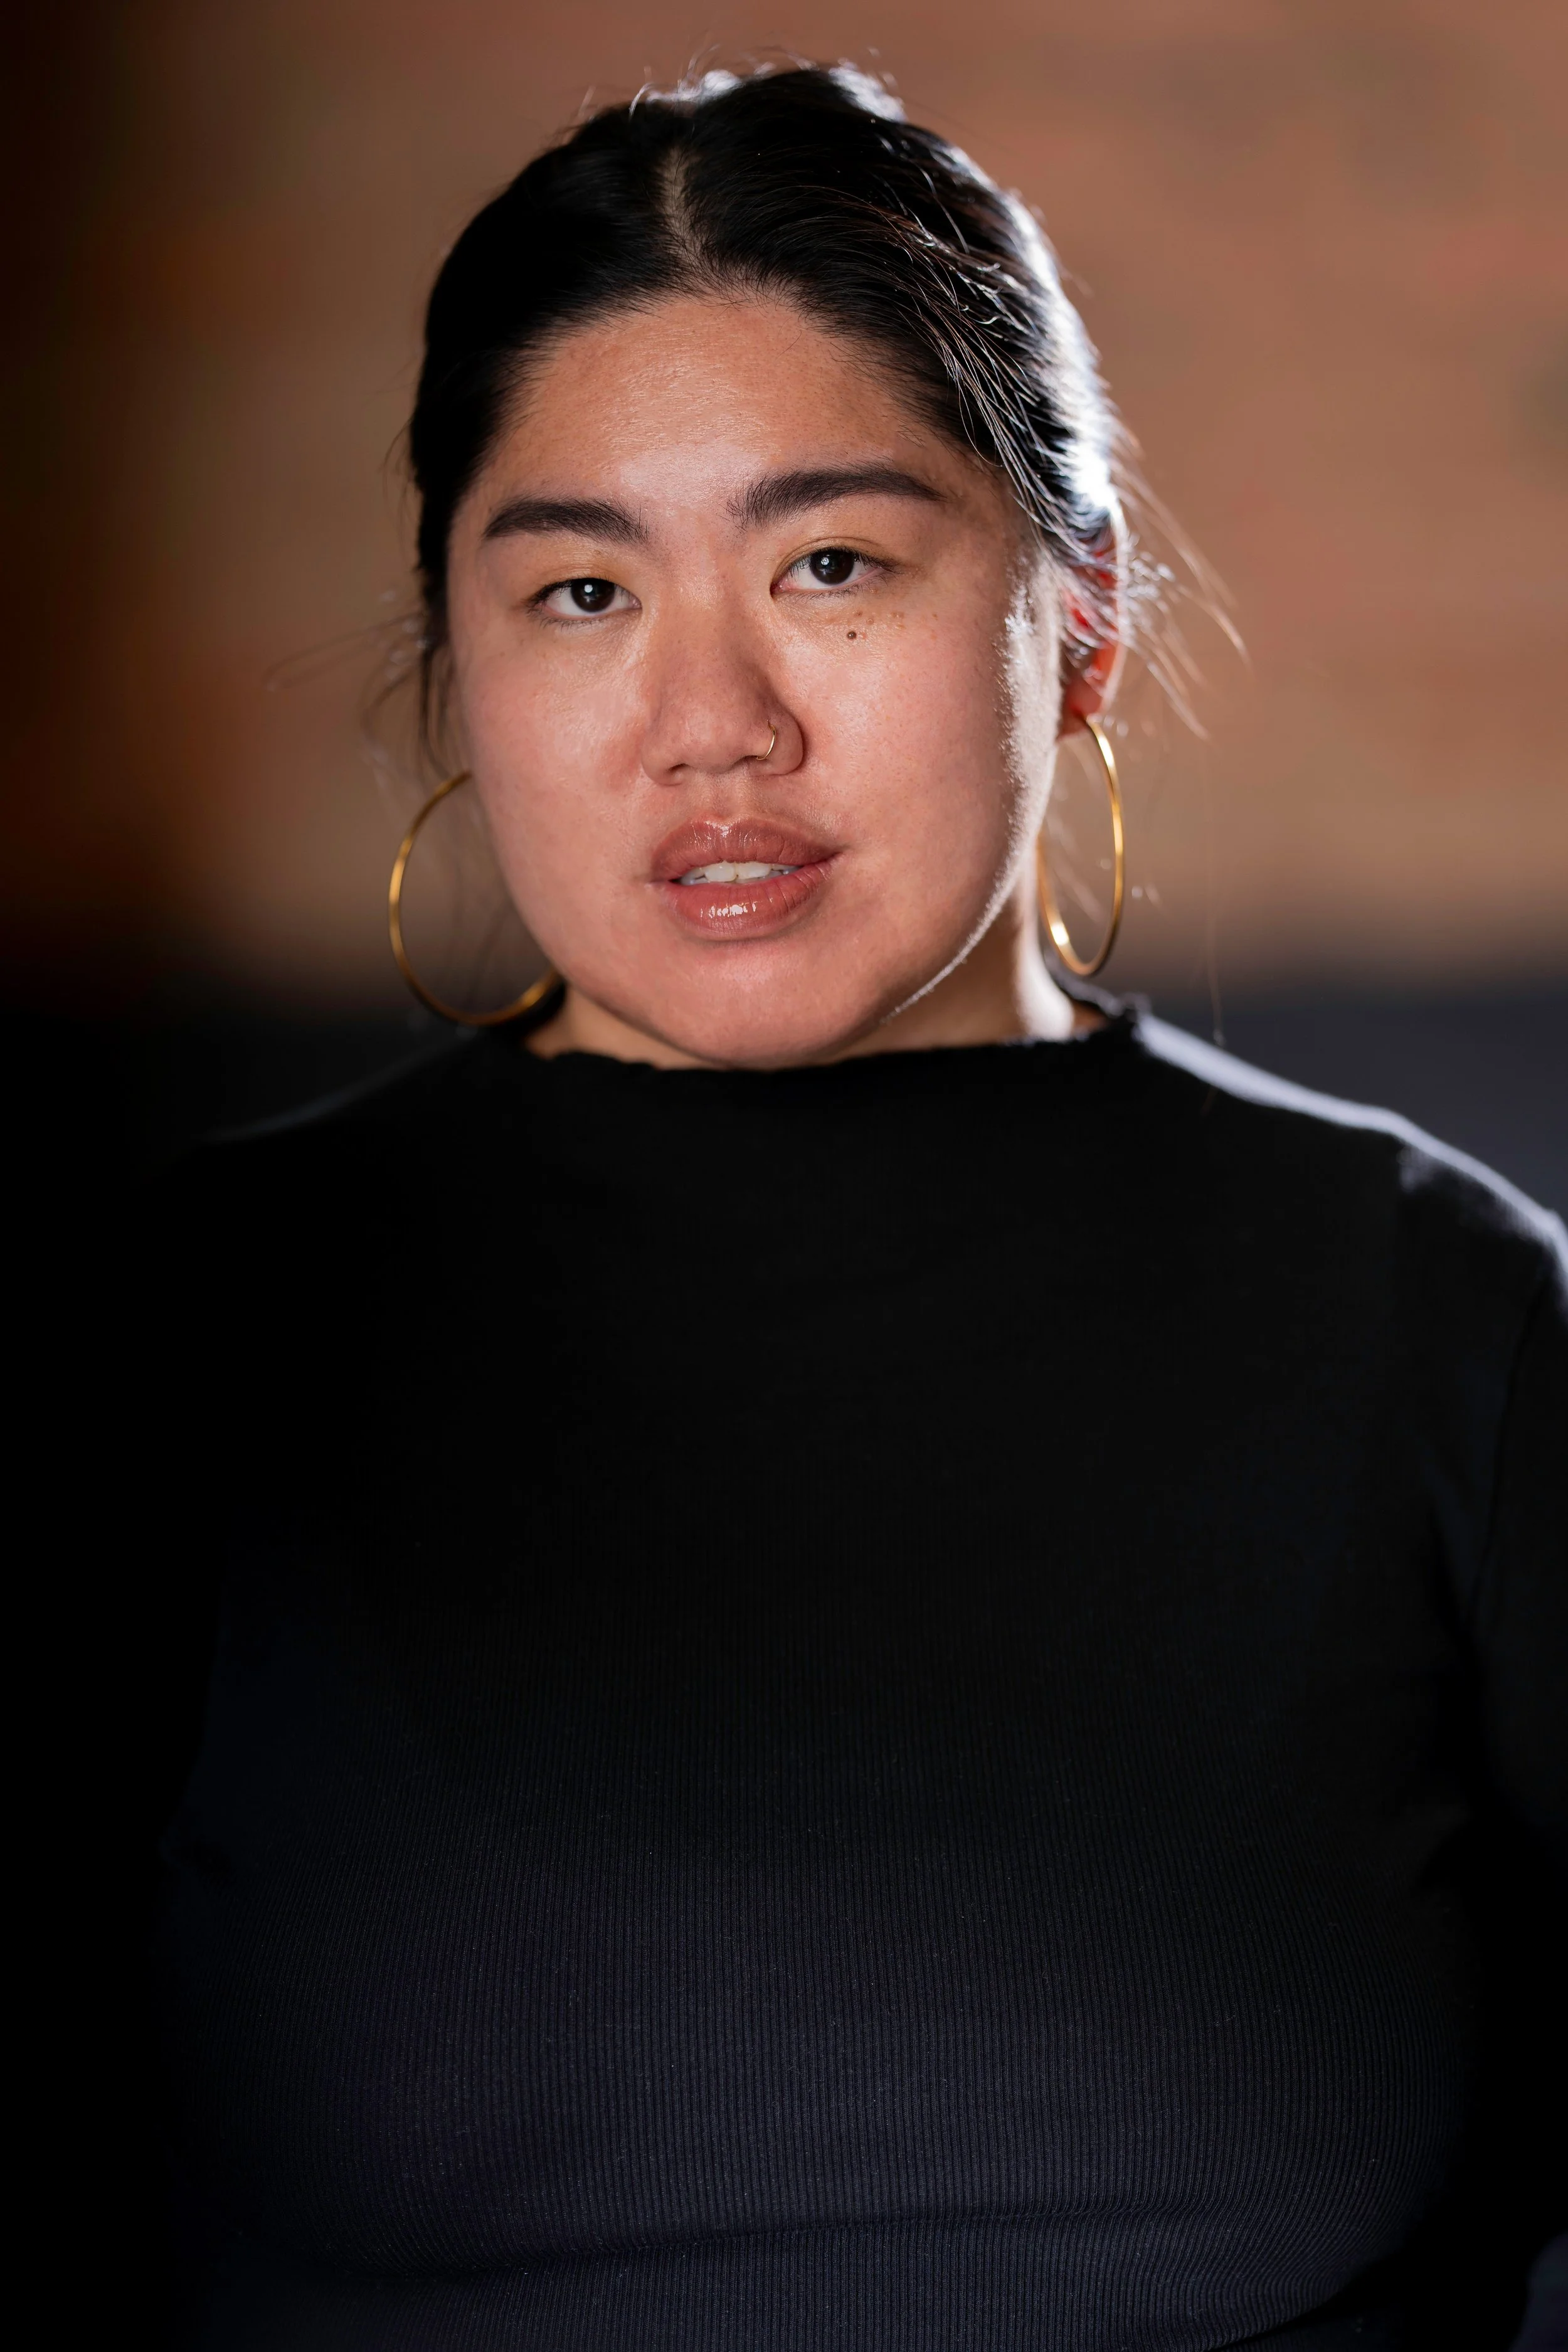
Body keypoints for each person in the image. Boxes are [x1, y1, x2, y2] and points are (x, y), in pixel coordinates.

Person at [146, 62, 1565, 2350]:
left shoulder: (1446, 1324)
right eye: (581, 590)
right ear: (458, 663)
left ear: (1079, 617)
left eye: (829, 564)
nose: (709, 721)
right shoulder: (196, 1327)